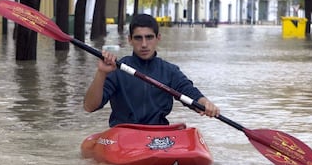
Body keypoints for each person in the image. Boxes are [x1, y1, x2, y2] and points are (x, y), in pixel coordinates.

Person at [83, 14, 220, 127]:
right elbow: (89, 106)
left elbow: (191, 94)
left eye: (149, 37)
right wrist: (101, 72)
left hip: (158, 136)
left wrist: (205, 104)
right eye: (138, 38)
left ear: (158, 38)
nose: (144, 44)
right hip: (124, 135)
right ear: (130, 40)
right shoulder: (117, 70)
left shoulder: (170, 71)